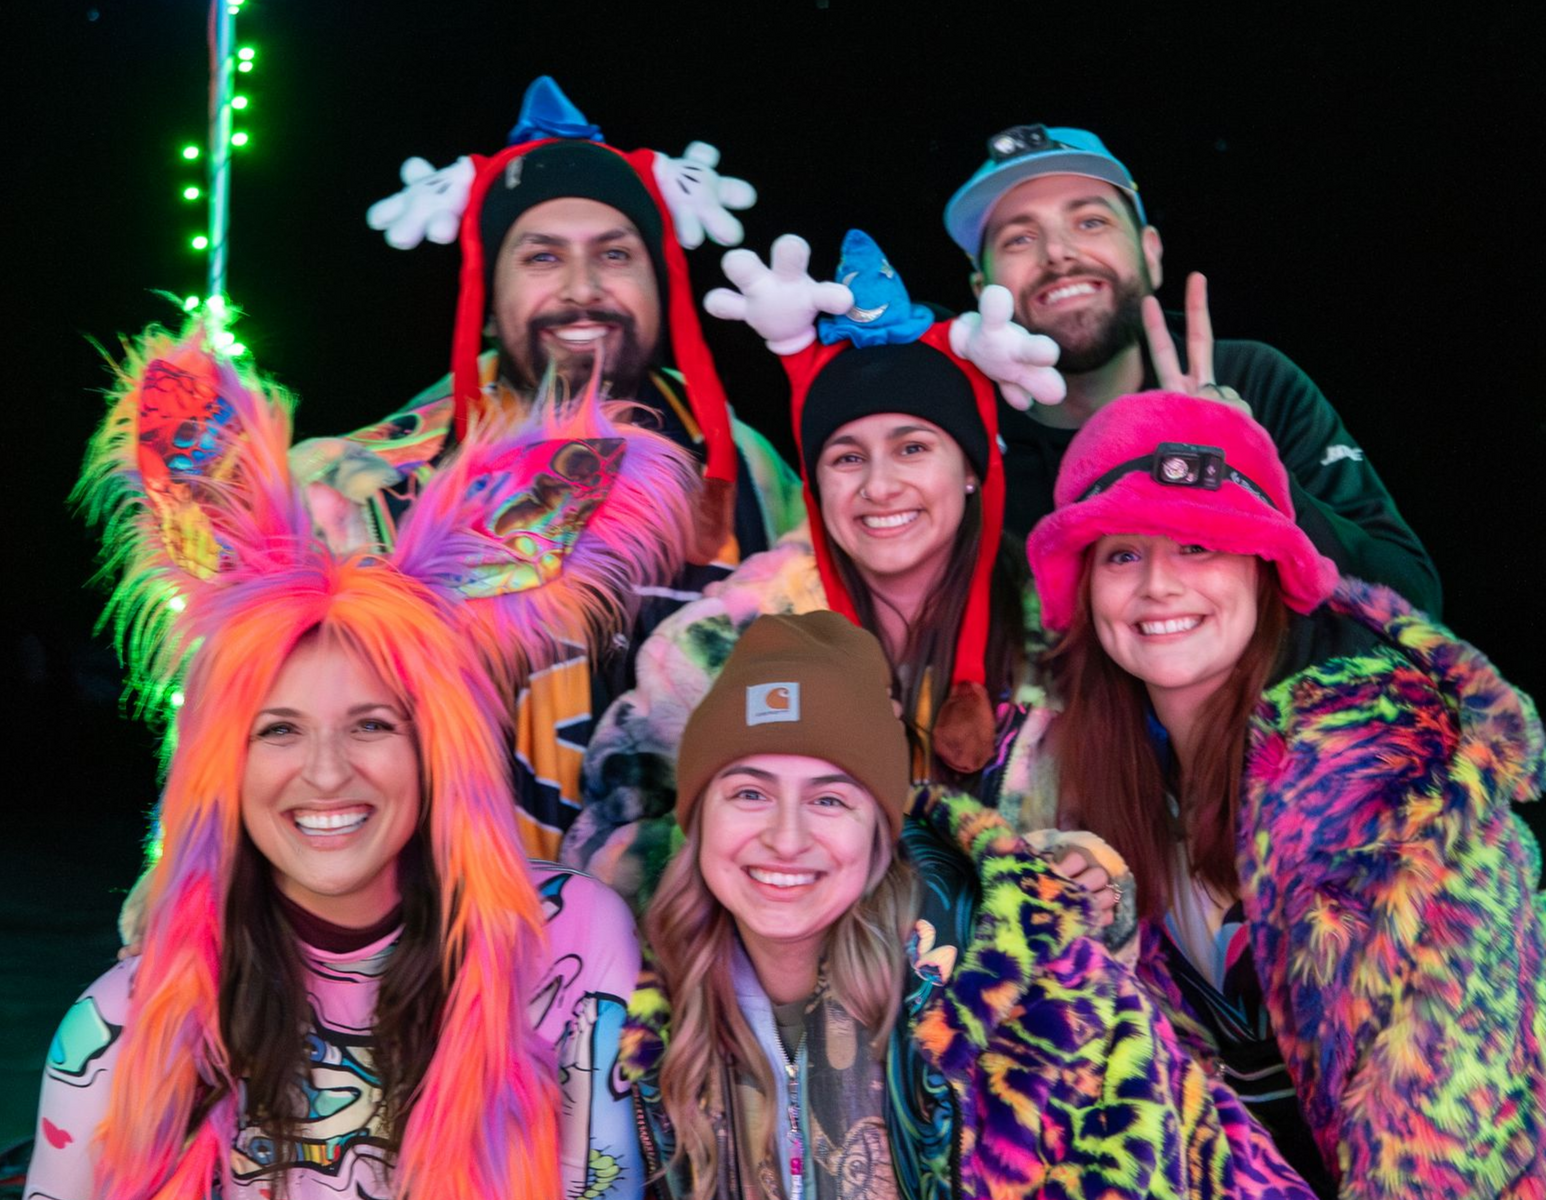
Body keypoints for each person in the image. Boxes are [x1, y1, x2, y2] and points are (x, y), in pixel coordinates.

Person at [26, 327, 700, 1197]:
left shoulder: (569, 941)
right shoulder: (120, 1028)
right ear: (221, 765)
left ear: (437, 750)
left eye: (372, 726)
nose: (326, 773)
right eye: (278, 731)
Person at [1019, 389, 1546, 1197]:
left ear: (1264, 567)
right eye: (1122, 555)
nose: (1158, 585)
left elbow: (1447, 1136)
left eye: (1197, 544)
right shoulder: (1097, 780)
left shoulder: (1384, 776)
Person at [621, 611, 1316, 1199]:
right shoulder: (652, 1015)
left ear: (881, 830)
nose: (785, 837)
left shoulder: (1034, 996)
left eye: (830, 799)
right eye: (748, 792)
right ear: (698, 817)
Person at [294, 76, 804, 856]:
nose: (582, 289)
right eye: (541, 257)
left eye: (615, 255)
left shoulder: (751, 476)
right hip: (459, 909)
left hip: (701, 909)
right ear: (488, 299)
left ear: (661, 284)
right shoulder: (370, 489)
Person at [564, 230, 1092, 900]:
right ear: (815, 482)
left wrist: (1091, 874)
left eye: (912, 448)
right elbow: (601, 859)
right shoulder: (725, 641)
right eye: (847, 457)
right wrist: (745, 846)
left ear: (971, 468)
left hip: (1011, 966)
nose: (879, 486)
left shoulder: (1064, 636)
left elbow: (1130, 844)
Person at [944, 124, 1441, 616]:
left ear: (1151, 253)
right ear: (981, 289)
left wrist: (1247, 472)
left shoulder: (1253, 379)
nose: (1057, 252)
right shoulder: (953, 433)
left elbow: (1413, 603)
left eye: (1091, 222)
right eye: (1019, 239)